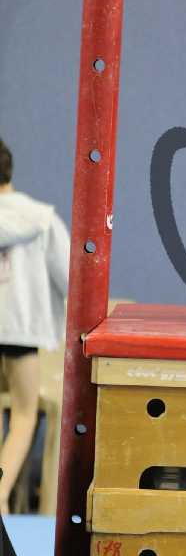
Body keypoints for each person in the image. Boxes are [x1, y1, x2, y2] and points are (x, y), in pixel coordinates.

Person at [0, 138, 69, 514]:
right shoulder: (40, 220)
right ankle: (0, 493)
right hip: (20, 332)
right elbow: (72, 277)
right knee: (24, 416)